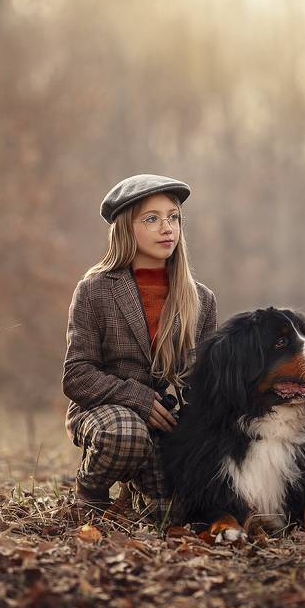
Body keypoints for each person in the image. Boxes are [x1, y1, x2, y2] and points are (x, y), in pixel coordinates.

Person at [62, 174, 217, 515]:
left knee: (174, 514)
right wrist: (139, 399)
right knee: (126, 435)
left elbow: (203, 380)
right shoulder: (95, 290)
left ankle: (138, 486)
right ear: (125, 229)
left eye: (173, 218)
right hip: (107, 412)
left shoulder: (201, 299)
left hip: (168, 420)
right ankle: (92, 488)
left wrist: (193, 427)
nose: (167, 228)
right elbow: (77, 375)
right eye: (151, 219)